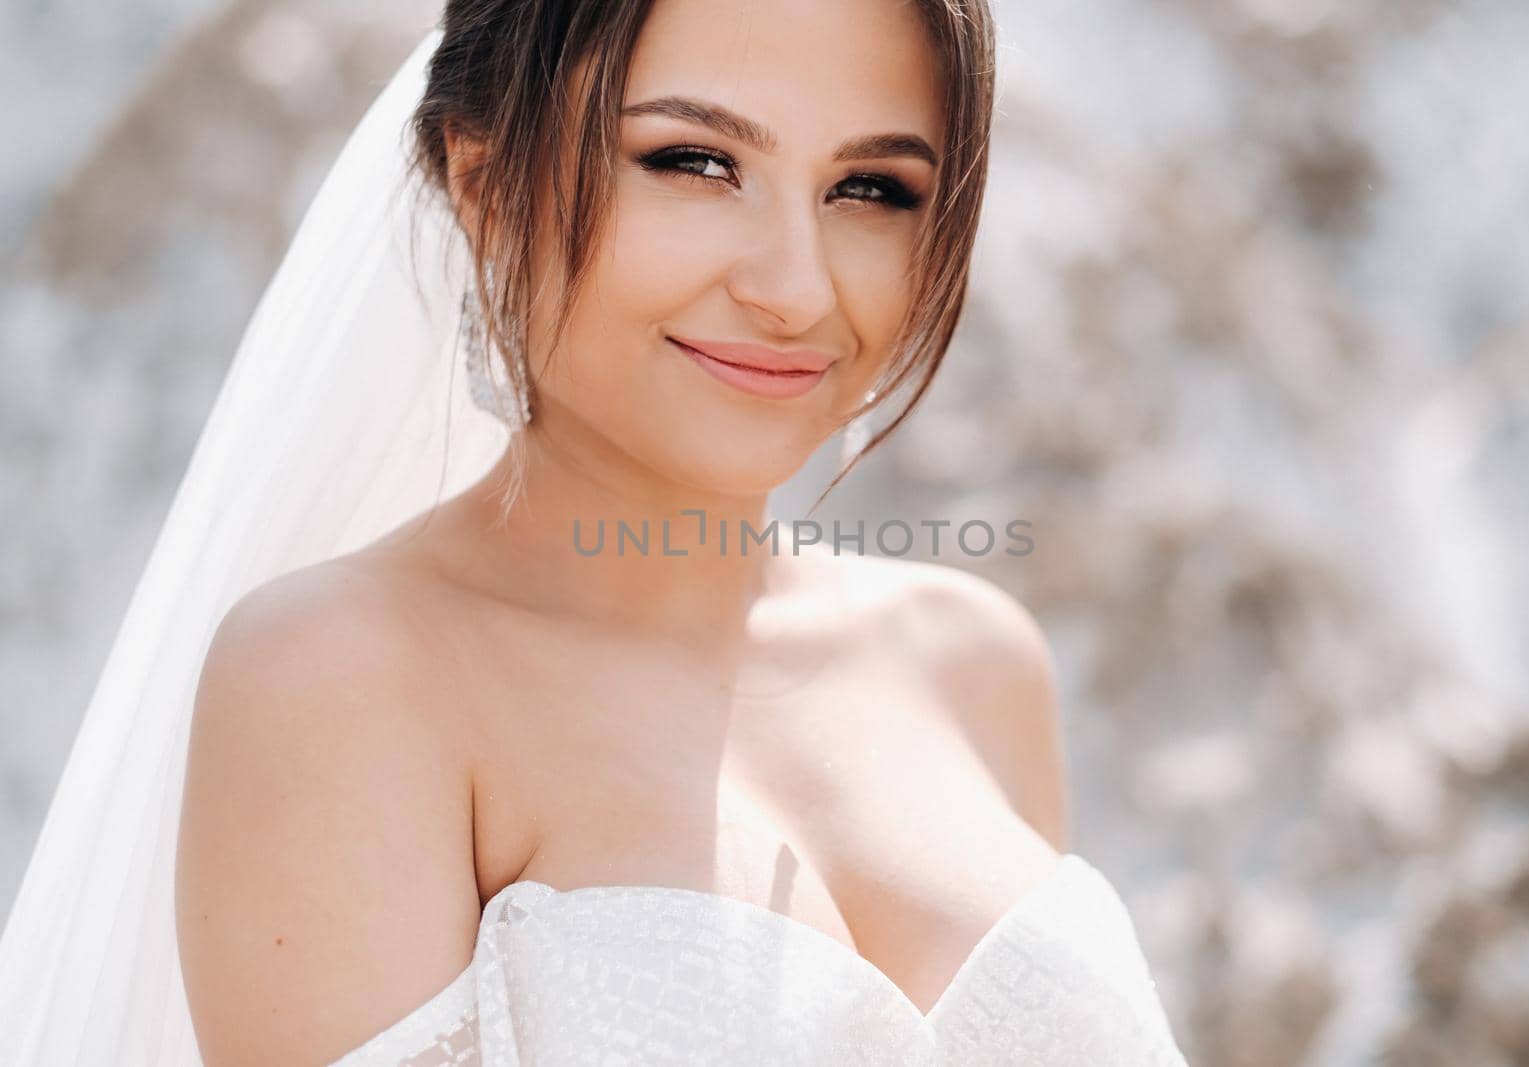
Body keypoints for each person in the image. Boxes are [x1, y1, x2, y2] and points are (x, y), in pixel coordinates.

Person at [0, 1, 1191, 1064]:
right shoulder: (347, 680)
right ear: (483, 183)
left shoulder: (974, 664)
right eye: (693, 161)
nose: (796, 285)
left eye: (872, 188)